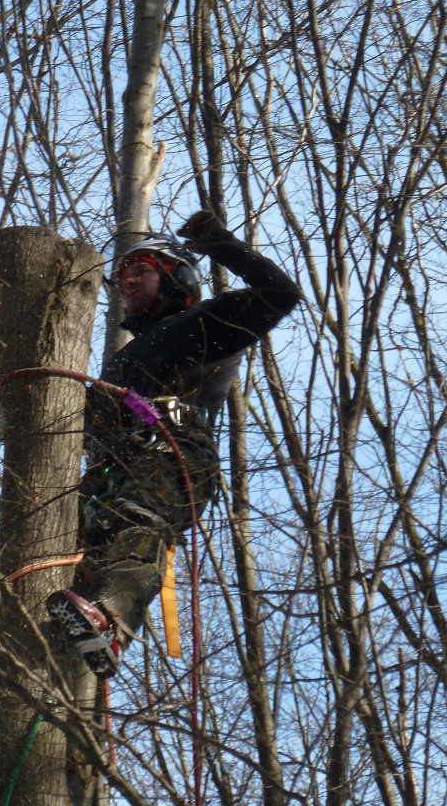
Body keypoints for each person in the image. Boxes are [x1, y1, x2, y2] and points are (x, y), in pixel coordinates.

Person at [46, 209, 301, 677]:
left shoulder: (206, 323)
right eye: (122, 275)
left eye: (140, 270)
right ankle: (39, 642)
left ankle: (112, 617)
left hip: (171, 455)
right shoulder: (121, 364)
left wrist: (217, 241)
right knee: (64, 547)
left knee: (137, 519)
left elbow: (280, 295)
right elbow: (72, 419)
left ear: (175, 277)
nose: (127, 281)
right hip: (112, 469)